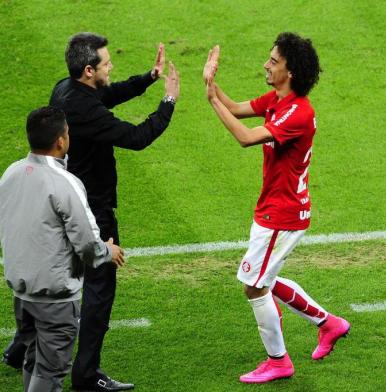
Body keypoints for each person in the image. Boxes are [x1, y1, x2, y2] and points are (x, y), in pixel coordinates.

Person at [203, 33, 350, 384]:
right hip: (276, 208)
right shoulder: (278, 99)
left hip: (282, 215)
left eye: (273, 61)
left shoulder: (299, 112)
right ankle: (329, 324)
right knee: (262, 279)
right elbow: (237, 108)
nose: (266, 65)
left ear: (291, 71)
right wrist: (212, 83)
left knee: (254, 286)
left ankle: (278, 361)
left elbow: (245, 137)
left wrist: (211, 101)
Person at [48, 32, 180, 391]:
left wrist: (148, 79)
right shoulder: (86, 109)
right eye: (107, 63)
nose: (112, 66)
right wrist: (168, 100)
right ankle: (86, 375)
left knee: (56, 277)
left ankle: (18, 350)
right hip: (93, 210)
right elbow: (136, 137)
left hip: (68, 199)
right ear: (89, 70)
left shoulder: (66, 89)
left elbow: (108, 93)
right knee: (100, 288)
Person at [0, 106, 125, 392]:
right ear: (60, 141)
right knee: (50, 372)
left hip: (22, 294)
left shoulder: (11, 173)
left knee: (34, 360)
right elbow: (87, 243)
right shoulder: (65, 182)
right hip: (54, 298)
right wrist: (108, 250)